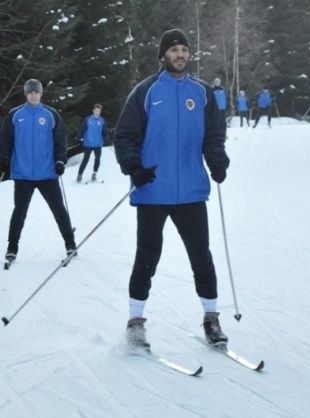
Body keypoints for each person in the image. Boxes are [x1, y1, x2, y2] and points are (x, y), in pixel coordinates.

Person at [114, 28, 230, 351]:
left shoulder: (203, 92)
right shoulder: (146, 91)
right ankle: (135, 321)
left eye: (184, 49)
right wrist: (134, 167)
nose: (180, 54)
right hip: (153, 190)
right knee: (147, 256)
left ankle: (211, 318)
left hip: (192, 191)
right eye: (174, 49)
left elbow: (214, 136)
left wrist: (217, 161)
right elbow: (125, 135)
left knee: (201, 257)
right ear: (163, 55)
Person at [0, 79, 76, 262]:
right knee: (20, 211)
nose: (33, 95)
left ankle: (70, 243)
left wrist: (59, 161)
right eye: (30, 92)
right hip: (23, 174)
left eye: (36, 92)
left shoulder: (50, 114)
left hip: (47, 173)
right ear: (26, 94)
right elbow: (4, 140)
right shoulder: (15, 115)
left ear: (41, 94)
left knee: (58, 209)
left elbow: (60, 141)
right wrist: (4, 159)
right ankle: (12, 248)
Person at [76, 103, 107, 182]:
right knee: (85, 159)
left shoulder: (102, 121)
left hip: (98, 144)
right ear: (93, 111)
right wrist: (79, 137)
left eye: (99, 111)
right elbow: (81, 129)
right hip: (88, 143)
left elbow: (104, 132)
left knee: (97, 159)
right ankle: (80, 175)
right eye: (96, 111)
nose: (97, 112)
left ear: (100, 112)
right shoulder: (87, 119)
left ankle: (94, 174)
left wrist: (107, 139)